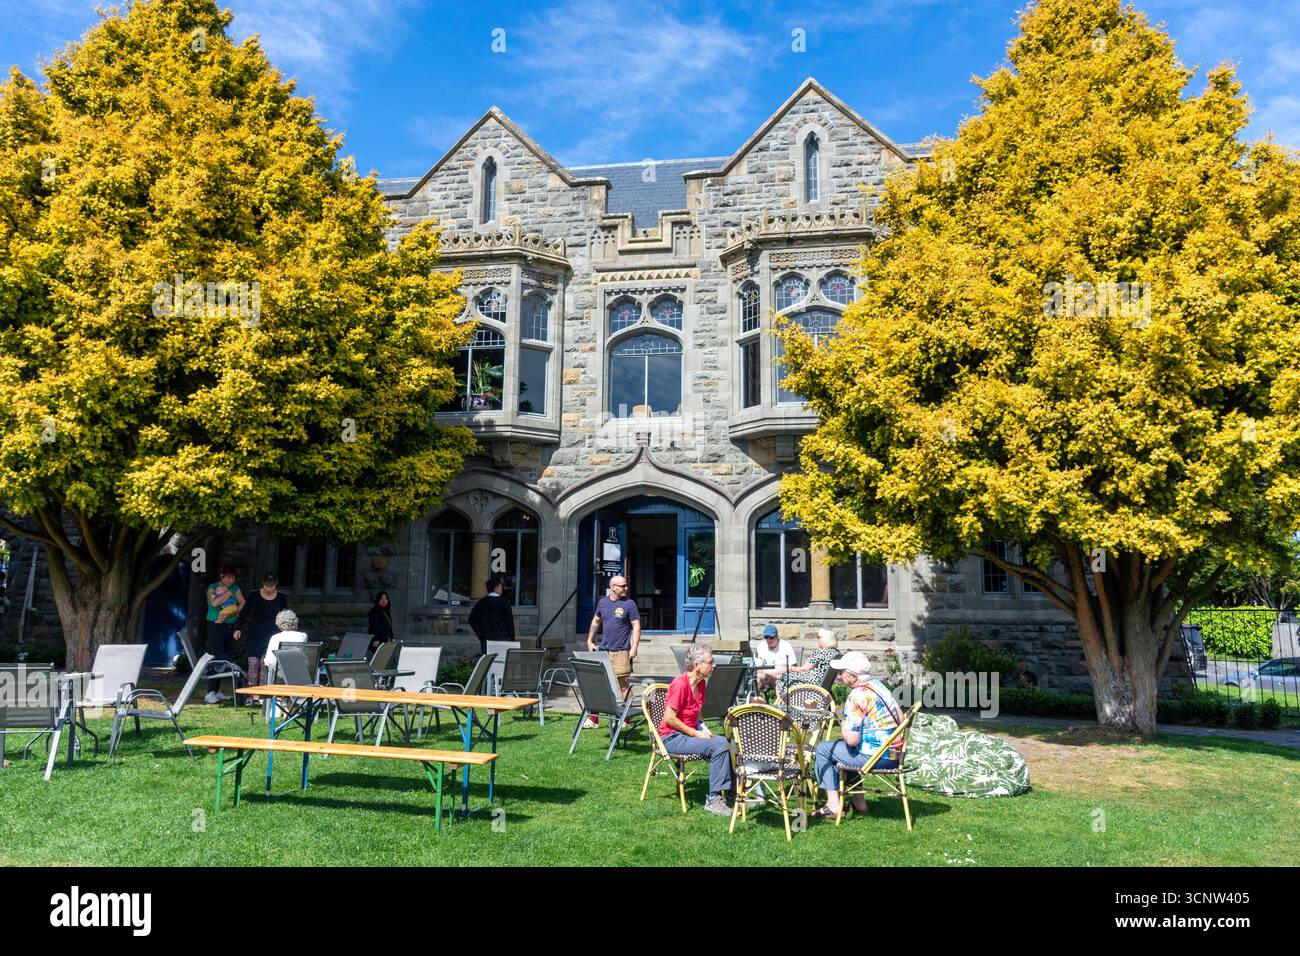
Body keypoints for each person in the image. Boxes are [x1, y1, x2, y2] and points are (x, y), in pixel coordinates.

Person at [812, 651, 904, 820]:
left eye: (841, 673)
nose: (839, 677)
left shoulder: (857, 696)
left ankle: (833, 806)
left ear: (852, 676)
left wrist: (844, 726)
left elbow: (852, 740)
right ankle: (858, 801)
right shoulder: (879, 686)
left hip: (875, 756)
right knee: (842, 748)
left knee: (824, 749)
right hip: (894, 754)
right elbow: (900, 717)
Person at [657, 642, 734, 816]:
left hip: (688, 735)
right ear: (697, 665)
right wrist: (695, 733)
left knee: (731, 743)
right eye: (710, 662)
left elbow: (697, 713)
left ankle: (733, 794)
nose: (713, 666)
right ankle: (714, 800)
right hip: (671, 738)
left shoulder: (701, 685)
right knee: (719, 746)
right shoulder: (680, 684)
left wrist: (703, 727)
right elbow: (669, 719)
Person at [235, 573, 287, 704]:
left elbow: (285, 615)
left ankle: (263, 696)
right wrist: (238, 628)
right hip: (254, 633)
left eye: (272, 586)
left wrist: (285, 632)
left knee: (265, 664)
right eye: (267, 586)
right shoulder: (254, 595)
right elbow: (244, 612)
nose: (269, 589)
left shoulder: (281, 597)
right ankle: (251, 695)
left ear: (276, 584)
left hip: (272, 635)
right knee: (253, 663)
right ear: (262, 584)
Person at [587, 574, 640, 702]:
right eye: (623, 586)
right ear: (613, 587)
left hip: (621, 651)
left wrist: (634, 648)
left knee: (624, 685)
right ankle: (594, 718)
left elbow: (636, 626)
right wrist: (589, 641)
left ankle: (626, 718)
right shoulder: (603, 602)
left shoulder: (629, 604)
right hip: (603, 650)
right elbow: (596, 621)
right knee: (600, 684)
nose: (626, 588)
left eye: (626, 585)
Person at [203, 567, 245, 704]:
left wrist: (233, 613)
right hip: (215, 626)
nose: (231, 580)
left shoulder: (235, 588)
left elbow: (242, 602)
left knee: (225, 658)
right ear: (221, 576)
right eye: (228, 577)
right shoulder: (212, 587)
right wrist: (227, 594)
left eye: (233, 578)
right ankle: (210, 692)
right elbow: (214, 603)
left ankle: (217, 690)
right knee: (216, 658)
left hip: (229, 626)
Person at [777, 628, 840, 698]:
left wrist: (790, 668)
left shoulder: (821, 652)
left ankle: (782, 705)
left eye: (819, 637)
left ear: (826, 639)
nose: (817, 639)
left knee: (782, 677)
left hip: (813, 682)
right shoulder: (836, 653)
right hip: (822, 683)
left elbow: (805, 669)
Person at [467, 574, 514, 656]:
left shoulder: (481, 602)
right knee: (501, 664)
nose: (501, 588)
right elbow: (509, 621)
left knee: (487, 664)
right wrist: (511, 637)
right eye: (500, 586)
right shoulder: (504, 602)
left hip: (485, 639)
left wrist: (480, 633)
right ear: (496, 588)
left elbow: (471, 619)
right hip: (501, 637)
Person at [264, 609, 309, 685]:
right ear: (294, 622)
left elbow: (270, 661)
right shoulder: (302, 636)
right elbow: (304, 658)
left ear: (279, 623)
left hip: (280, 678)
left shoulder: (275, 637)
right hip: (299, 676)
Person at [753, 624, 797, 694]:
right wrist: (766, 674)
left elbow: (793, 667)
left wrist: (776, 674)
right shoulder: (760, 646)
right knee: (756, 682)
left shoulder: (786, 646)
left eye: (771, 637)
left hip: (781, 676)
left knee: (779, 685)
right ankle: (755, 703)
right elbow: (756, 667)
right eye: (766, 637)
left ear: (777, 637)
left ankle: (779, 704)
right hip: (764, 676)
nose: (768, 640)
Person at [368, 591, 394, 655]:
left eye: (385, 598)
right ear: (378, 600)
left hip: (384, 639)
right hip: (377, 640)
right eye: (381, 598)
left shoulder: (385, 611)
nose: (384, 600)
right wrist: (376, 639)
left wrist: (392, 637)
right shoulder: (374, 611)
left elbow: (389, 625)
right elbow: (374, 626)